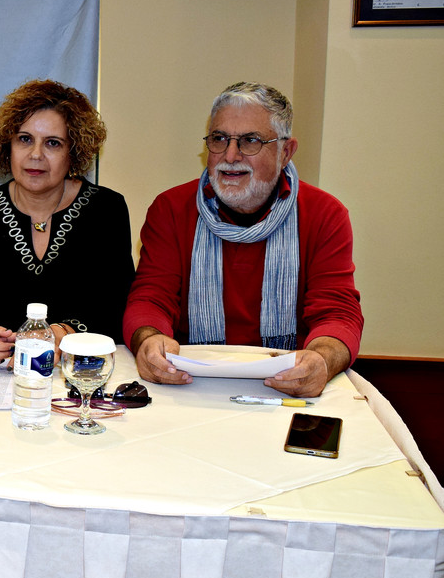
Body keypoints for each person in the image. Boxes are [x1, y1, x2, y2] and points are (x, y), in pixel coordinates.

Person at [123, 81, 363, 398]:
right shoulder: (171, 208)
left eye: (250, 141)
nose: (231, 155)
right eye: (219, 139)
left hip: (287, 383)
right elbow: (151, 298)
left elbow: (337, 313)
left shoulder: (324, 214)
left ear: (285, 152)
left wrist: (322, 360)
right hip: (190, 381)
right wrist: (149, 340)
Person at [0, 80, 134, 369]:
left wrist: (62, 334)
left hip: (75, 373)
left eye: (53, 143)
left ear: (74, 152)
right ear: (8, 146)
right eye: (25, 139)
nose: (36, 154)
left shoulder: (106, 210)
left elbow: (116, 306)